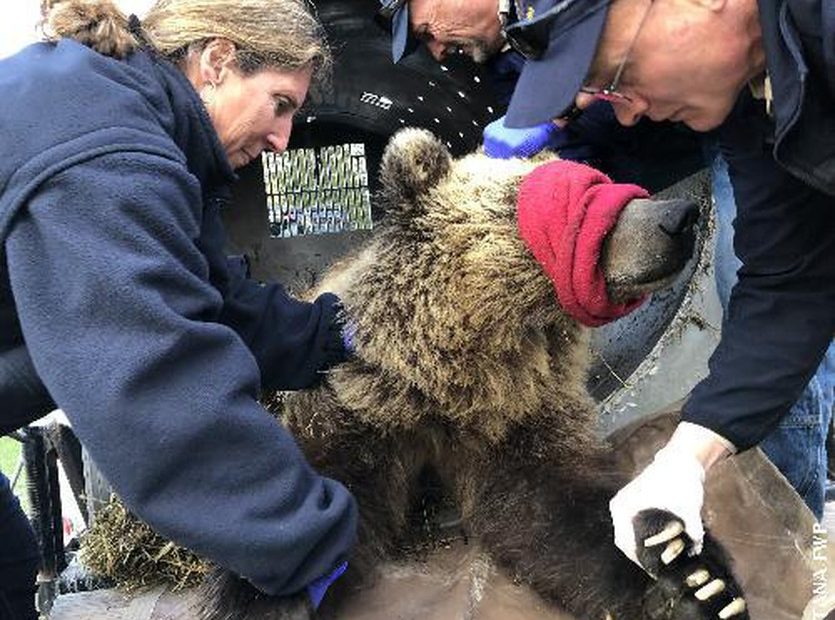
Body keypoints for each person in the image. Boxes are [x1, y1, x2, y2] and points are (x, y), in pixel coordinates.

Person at [0, 0, 357, 616]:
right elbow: (152, 375)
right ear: (217, 61)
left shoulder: (144, 129)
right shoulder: (106, 150)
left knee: (9, 563)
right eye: (281, 105)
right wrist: (309, 541)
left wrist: (346, 334)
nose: (282, 140)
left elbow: (217, 304)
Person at [494, 0, 835, 570]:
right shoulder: (755, 105)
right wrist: (686, 458)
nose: (626, 115)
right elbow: (791, 281)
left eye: (618, 79)